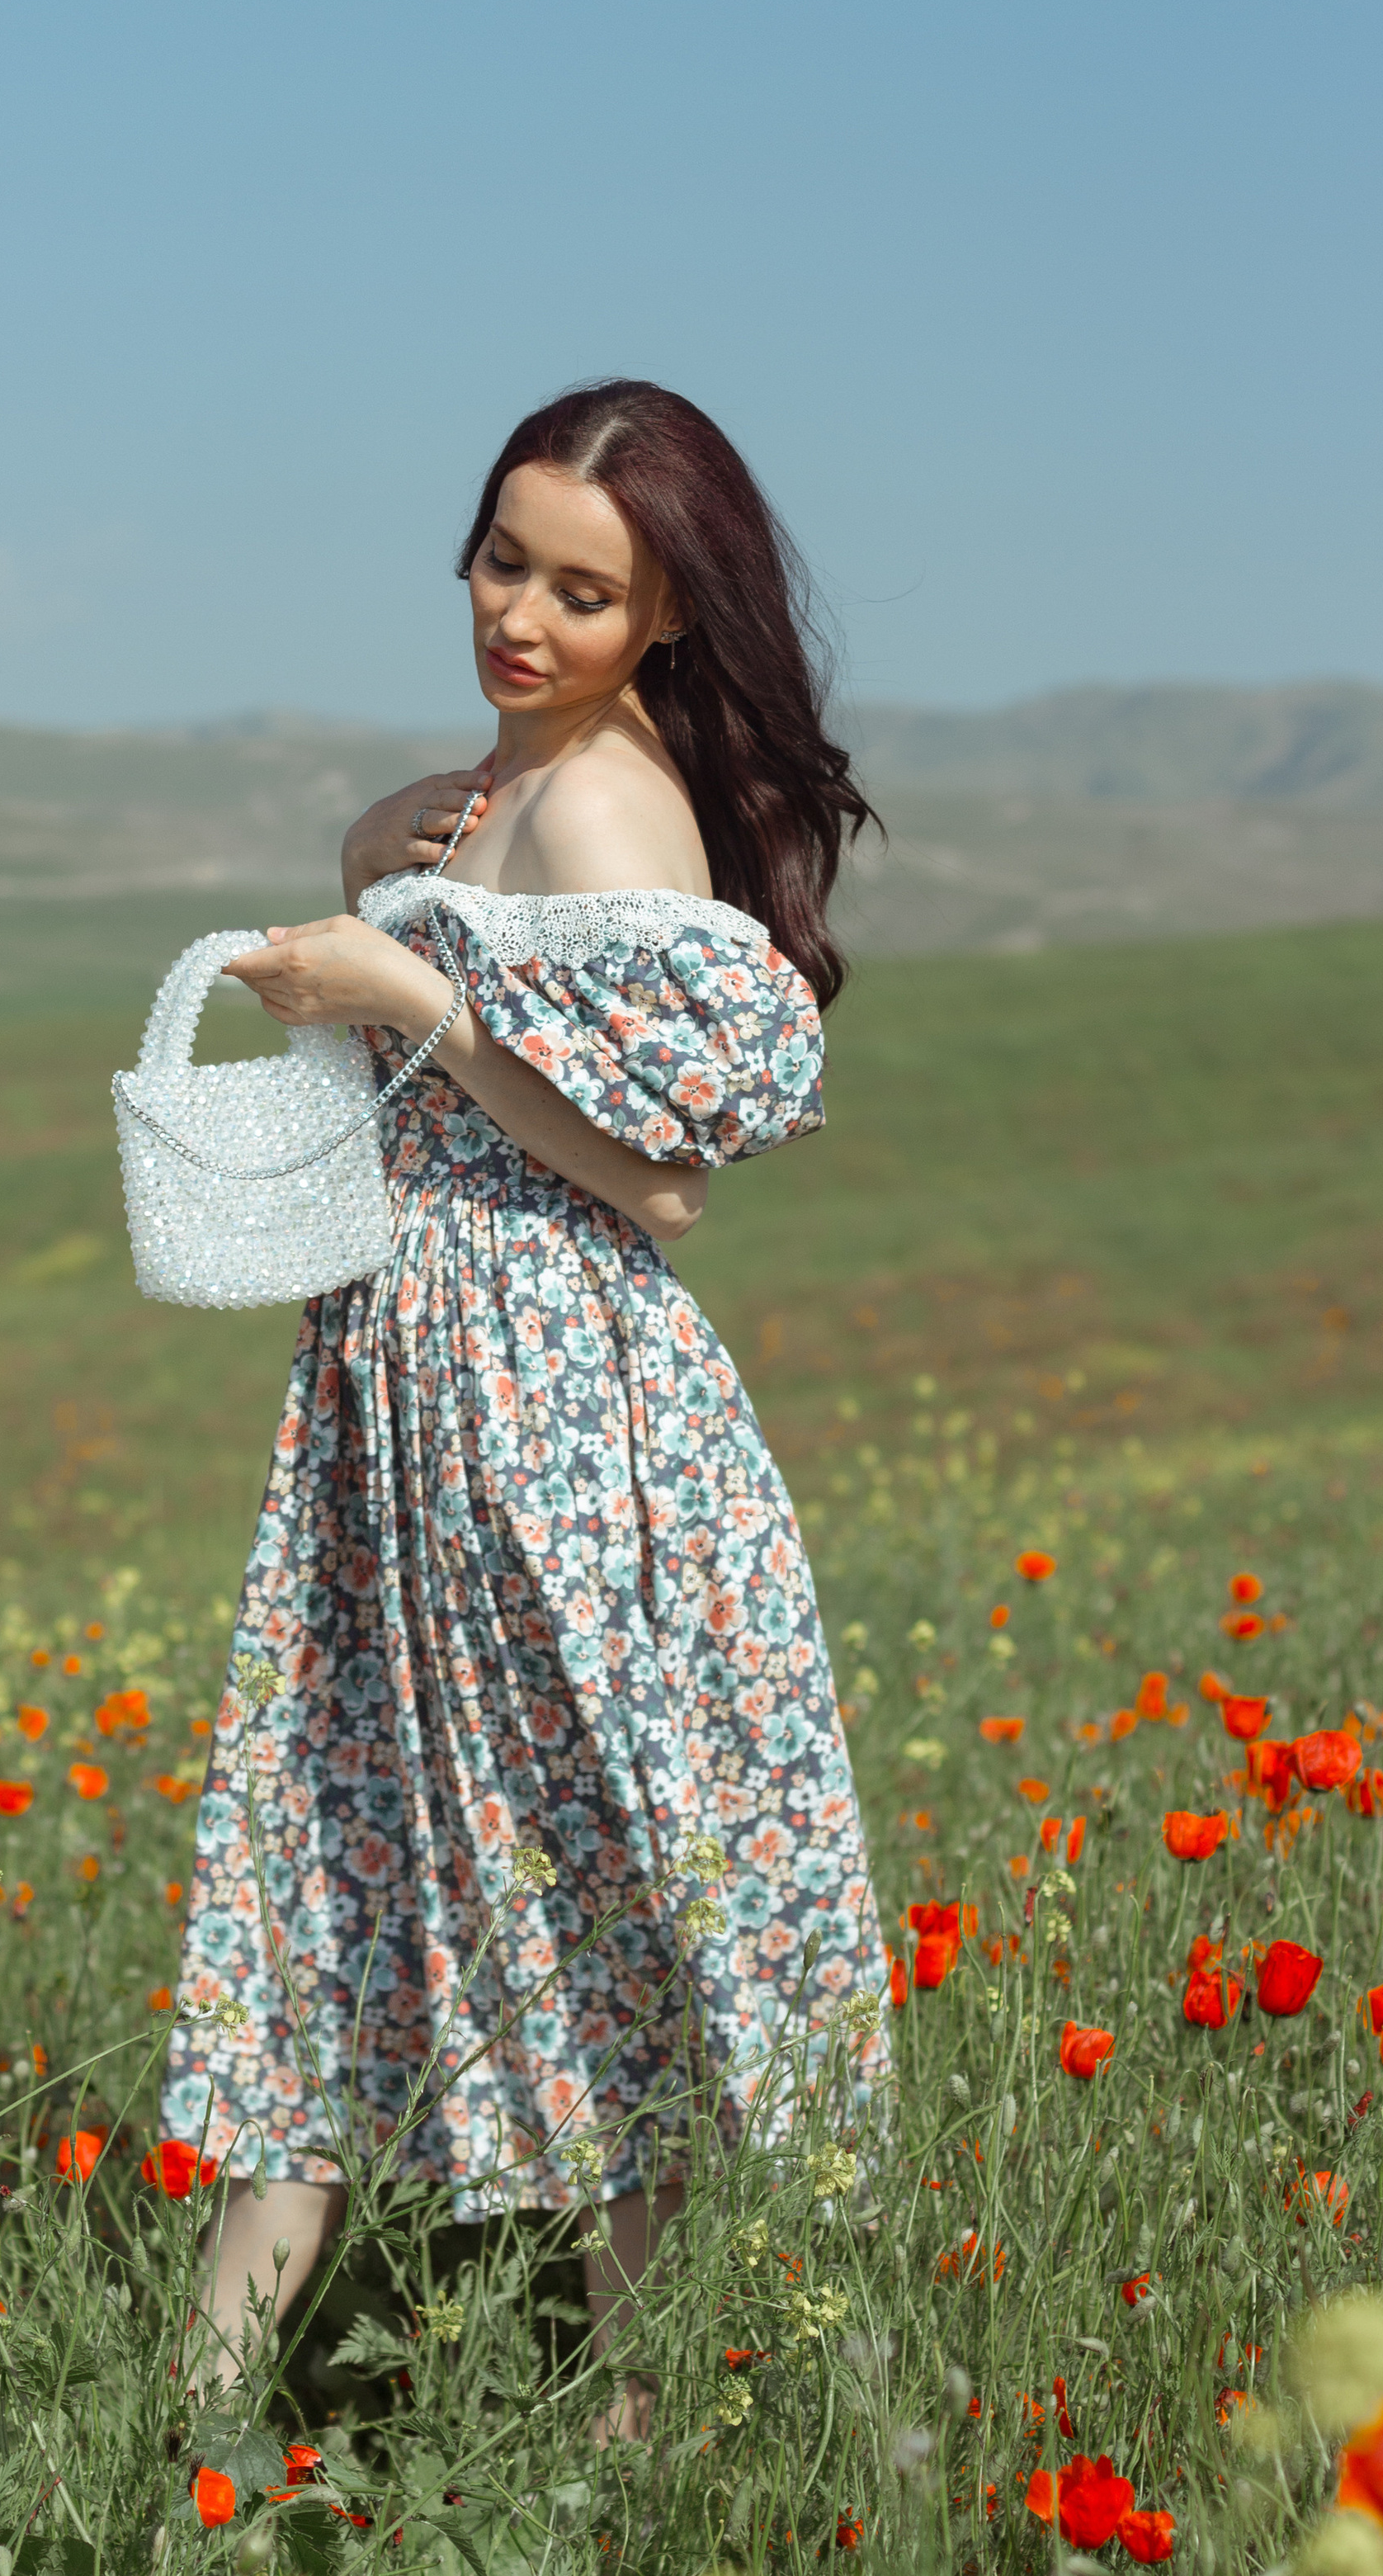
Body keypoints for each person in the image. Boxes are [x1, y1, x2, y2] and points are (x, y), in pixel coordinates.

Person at [158, 379, 888, 2437]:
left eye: (584, 590)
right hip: (411, 1387)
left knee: (574, 1877)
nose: (523, 618)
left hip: (544, 1398)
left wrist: (423, 1002)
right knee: (344, 1838)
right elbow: (421, 865)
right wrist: (385, 883)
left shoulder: (607, 807)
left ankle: (629, 2432)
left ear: (662, 617)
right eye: (503, 562)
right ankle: (195, 2437)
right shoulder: (497, 791)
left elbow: (660, 1176)